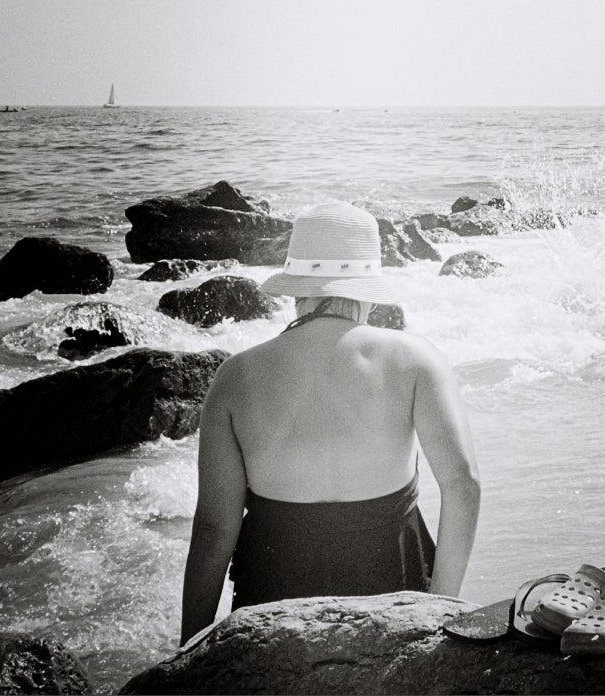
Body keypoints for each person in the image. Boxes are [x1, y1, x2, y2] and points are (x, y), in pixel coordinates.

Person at [180, 202, 481, 644]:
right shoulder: (415, 359)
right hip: (391, 589)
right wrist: (440, 612)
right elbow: (464, 485)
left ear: (296, 288)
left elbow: (214, 526)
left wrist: (191, 649)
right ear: (368, 290)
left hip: (275, 598)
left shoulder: (237, 375)